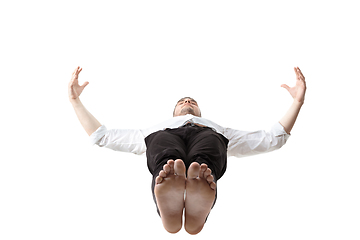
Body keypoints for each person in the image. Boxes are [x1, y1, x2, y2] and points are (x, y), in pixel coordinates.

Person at [68, 66, 306, 235]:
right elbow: (102, 136)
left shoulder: (219, 129)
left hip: (208, 138)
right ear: (174, 112)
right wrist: (76, 101)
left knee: (207, 148)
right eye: (182, 101)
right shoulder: (154, 129)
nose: (187, 102)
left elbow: (272, 138)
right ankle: (174, 191)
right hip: (164, 138)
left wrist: (296, 102)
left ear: (199, 110)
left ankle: (195, 195)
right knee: (164, 146)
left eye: (191, 101)